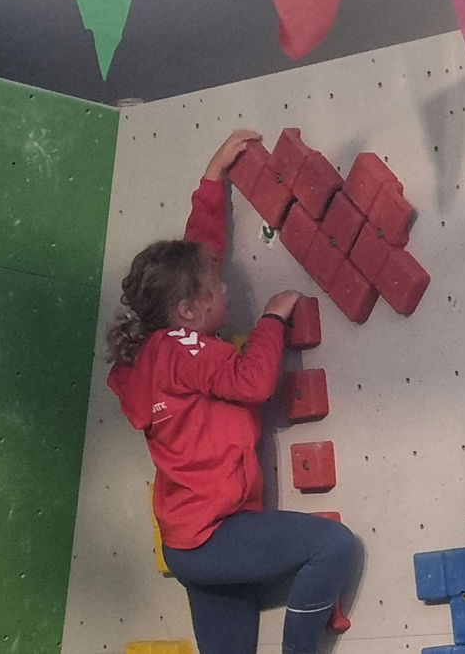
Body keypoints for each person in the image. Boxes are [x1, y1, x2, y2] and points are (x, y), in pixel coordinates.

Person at [106, 129, 356, 654]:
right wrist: (271, 319)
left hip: (192, 544)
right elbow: (252, 382)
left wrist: (213, 177)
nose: (224, 290)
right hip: (218, 533)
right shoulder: (183, 348)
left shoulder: (160, 347)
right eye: (216, 290)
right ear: (188, 312)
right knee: (331, 546)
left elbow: (198, 256)